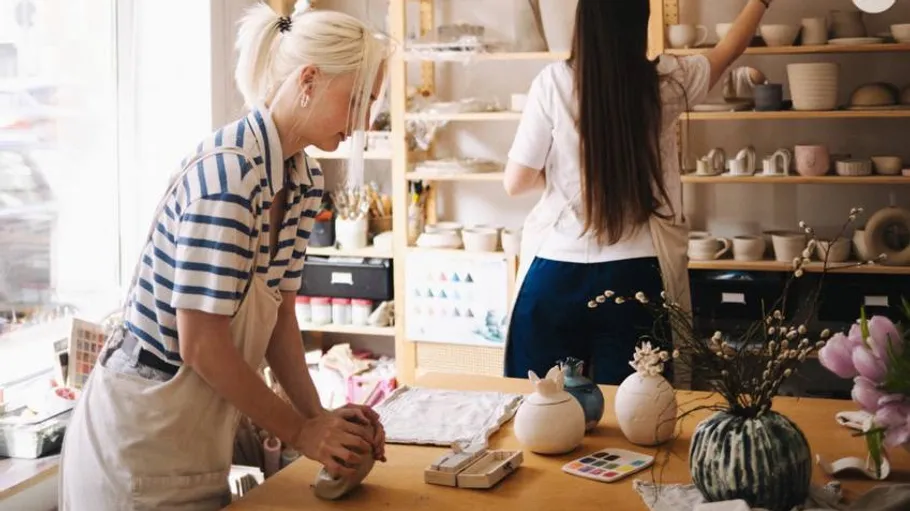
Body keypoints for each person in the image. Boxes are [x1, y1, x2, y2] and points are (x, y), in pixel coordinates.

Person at [59, 3, 389, 509]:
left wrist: (322, 423)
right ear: (309, 80)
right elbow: (202, 345)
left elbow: (279, 319)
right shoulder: (231, 176)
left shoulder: (302, 180)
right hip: (139, 439)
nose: (364, 122)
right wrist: (303, 434)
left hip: (191, 439)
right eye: (358, 100)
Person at [502, 0, 774, 384]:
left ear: (583, 23)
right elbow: (728, 50)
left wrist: (566, 175)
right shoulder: (668, 81)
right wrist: (760, 3)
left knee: (544, 415)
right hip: (637, 277)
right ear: (640, 24)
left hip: (555, 274)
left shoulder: (553, 82)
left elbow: (516, 182)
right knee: (637, 421)